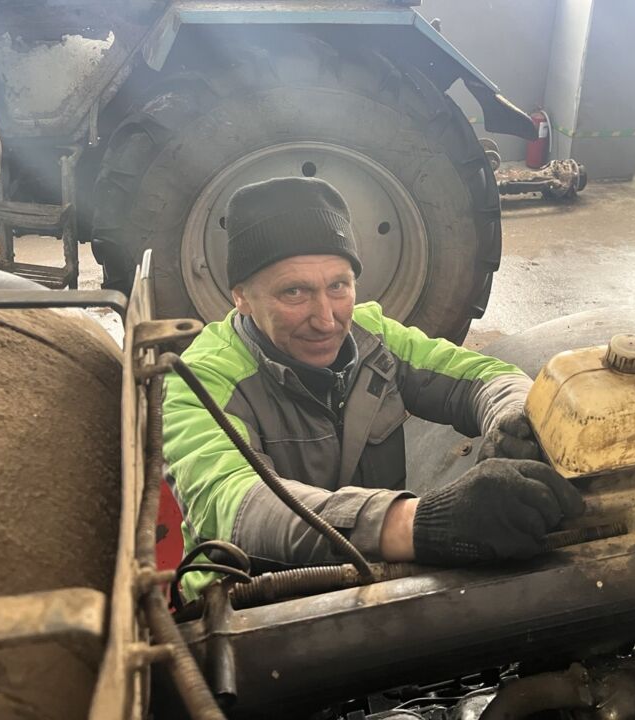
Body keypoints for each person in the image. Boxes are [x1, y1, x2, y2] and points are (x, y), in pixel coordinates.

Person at [162, 177, 583, 598]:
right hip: (248, 605)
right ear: (241, 297)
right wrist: (418, 522)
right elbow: (238, 507)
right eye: (294, 292)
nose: (326, 319)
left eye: (338, 286)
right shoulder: (199, 381)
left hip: (371, 583)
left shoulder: (372, 336)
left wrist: (512, 418)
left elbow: (484, 377)